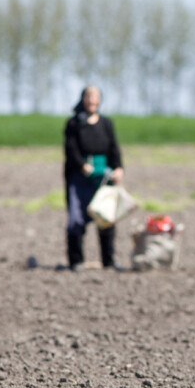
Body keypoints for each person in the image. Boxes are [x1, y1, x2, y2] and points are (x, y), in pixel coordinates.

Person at [63, 85, 125, 272]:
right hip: (80, 177)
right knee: (76, 219)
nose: (92, 100)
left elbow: (114, 148)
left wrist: (119, 168)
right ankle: (76, 261)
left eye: (95, 96)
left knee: (105, 218)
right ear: (83, 99)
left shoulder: (106, 123)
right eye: (89, 96)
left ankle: (108, 261)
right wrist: (82, 165)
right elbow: (70, 149)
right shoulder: (73, 124)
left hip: (103, 177)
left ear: (100, 100)